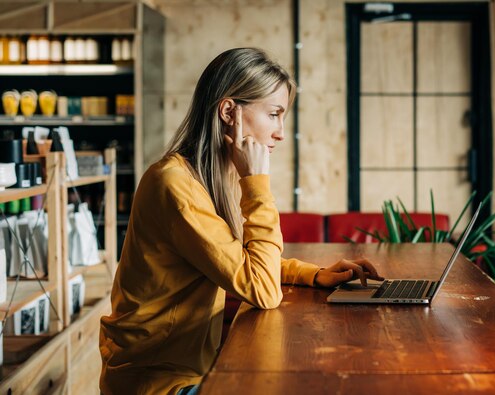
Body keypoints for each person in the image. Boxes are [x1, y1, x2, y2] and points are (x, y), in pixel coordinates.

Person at [99, 48, 383, 395]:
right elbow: (262, 290)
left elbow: (240, 260)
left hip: (186, 370)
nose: (280, 132)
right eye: (274, 114)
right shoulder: (174, 184)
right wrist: (256, 183)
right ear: (229, 111)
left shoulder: (205, 177)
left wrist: (312, 274)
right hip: (159, 383)